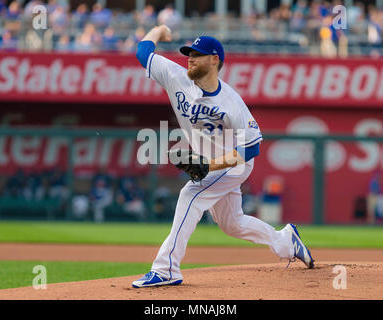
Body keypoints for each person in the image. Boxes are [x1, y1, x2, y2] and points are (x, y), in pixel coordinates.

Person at [131, 25, 314, 288]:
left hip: (234, 164)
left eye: (197, 54)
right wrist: (158, 30)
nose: (190, 58)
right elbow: (143, 52)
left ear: (214, 60)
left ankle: (166, 268)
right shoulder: (176, 76)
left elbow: (251, 149)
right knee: (232, 224)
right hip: (211, 163)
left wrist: (210, 165)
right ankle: (285, 241)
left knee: (190, 194)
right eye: (189, 53)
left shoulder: (231, 103)